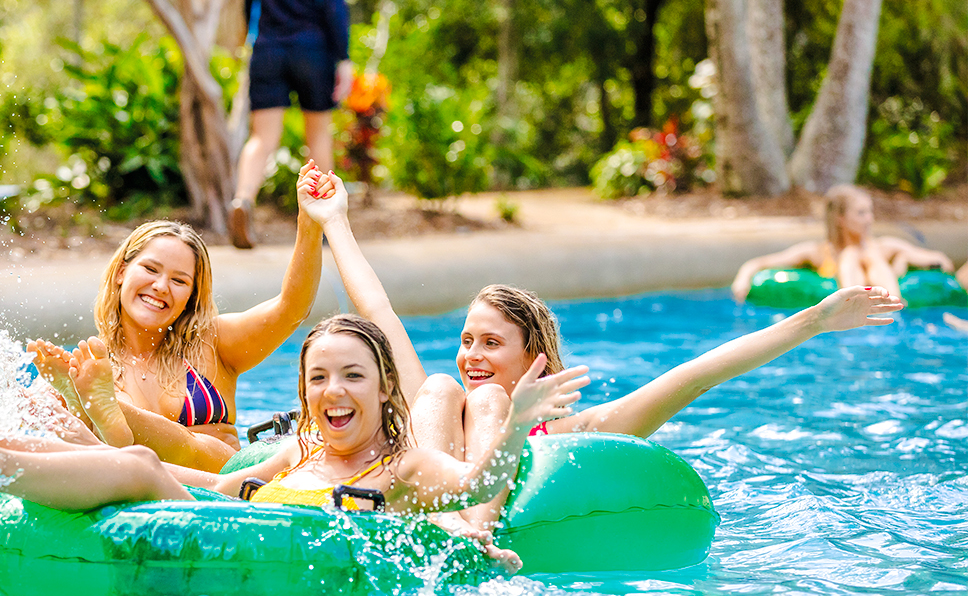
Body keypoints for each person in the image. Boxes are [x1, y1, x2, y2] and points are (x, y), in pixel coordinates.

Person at [304, 167, 904, 449]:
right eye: (467, 340)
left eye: (491, 343)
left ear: (532, 357)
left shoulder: (569, 433)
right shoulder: (436, 406)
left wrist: (814, 321)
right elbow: (378, 309)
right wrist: (335, 222)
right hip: (418, 509)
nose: (471, 355)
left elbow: (696, 374)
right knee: (436, 386)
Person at [0, 315, 590, 572]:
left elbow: (476, 484)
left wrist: (513, 420)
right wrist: (82, 441)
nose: (334, 390)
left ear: (385, 388)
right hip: (218, 526)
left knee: (137, 469)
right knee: (138, 462)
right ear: (306, 394)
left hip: (244, 553)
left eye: (353, 376)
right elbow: (220, 488)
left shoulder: (403, 466)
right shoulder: (304, 450)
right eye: (319, 378)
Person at [27, 165, 340, 471]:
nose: (161, 287)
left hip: (231, 486)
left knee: (194, 447)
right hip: (150, 493)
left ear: (191, 295)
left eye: (179, 281)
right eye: (150, 269)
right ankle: (99, 414)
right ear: (122, 271)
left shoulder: (213, 342)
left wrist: (309, 224)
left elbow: (291, 308)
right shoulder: (90, 367)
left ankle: (113, 411)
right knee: (93, 437)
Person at [227, 0, 352, 249]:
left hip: (266, 49)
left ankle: (242, 199)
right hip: (311, 50)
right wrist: (343, 57)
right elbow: (333, 4)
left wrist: (249, 46)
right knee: (318, 136)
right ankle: (329, 223)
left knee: (262, 137)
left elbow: (249, 1)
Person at [729, 185, 953, 303]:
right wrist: (742, 280)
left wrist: (903, 262)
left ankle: (893, 306)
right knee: (850, 256)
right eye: (861, 213)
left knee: (866, 256)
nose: (870, 219)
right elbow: (758, 263)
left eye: (870, 212)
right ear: (840, 219)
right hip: (845, 320)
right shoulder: (818, 253)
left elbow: (944, 263)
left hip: (886, 309)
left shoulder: (885, 248)